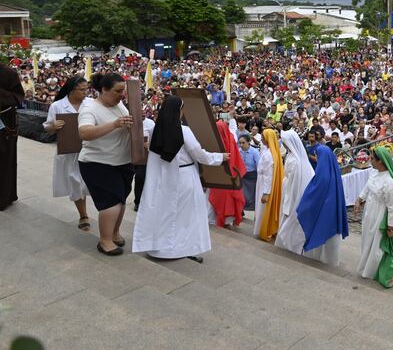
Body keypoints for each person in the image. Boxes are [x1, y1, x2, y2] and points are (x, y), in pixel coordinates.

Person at [132, 96, 229, 260]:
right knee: (187, 215)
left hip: (164, 178)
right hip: (185, 177)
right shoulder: (184, 130)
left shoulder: (157, 129)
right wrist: (220, 157)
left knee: (166, 213)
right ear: (178, 111)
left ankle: (160, 247)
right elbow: (199, 154)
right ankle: (182, 248)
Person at [77, 73, 134, 256]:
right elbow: (85, 133)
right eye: (118, 91)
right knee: (111, 203)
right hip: (98, 162)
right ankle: (105, 240)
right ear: (104, 89)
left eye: (123, 91)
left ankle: (114, 233)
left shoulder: (119, 105)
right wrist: (115, 124)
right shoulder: (89, 108)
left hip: (122, 161)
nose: (121, 95)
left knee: (121, 200)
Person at [43, 76, 94, 230]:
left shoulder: (91, 104)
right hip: (69, 151)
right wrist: (54, 126)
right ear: (72, 90)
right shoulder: (58, 106)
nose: (86, 93)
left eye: (87, 89)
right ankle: (83, 215)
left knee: (90, 182)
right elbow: (47, 127)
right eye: (82, 90)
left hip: (90, 149)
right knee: (75, 182)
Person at [354, 146, 393, 288]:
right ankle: (364, 266)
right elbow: (367, 188)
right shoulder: (374, 173)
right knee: (366, 240)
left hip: (379, 214)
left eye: (373, 159)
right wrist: (359, 200)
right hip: (369, 212)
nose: (370, 160)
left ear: (380, 162)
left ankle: (375, 271)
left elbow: (392, 207)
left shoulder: (389, 182)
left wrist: (391, 226)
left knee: (376, 246)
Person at [296, 145, 349, 266]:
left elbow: (312, 194)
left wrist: (303, 206)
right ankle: (331, 261)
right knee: (331, 243)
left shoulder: (321, 176)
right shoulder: (335, 172)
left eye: (317, 156)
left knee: (320, 238)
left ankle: (317, 259)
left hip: (323, 213)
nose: (316, 158)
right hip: (332, 212)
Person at [275, 129, 315, 254]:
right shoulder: (294, 156)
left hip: (292, 190)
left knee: (289, 214)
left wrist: (289, 199)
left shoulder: (295, 160)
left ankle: (290, 244)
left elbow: (294, 182)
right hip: (288, 186)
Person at [0, 61, 24, 211]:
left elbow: (18, 96)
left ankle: (4, 197)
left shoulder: (9, 73)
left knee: (4, 160)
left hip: (5, 122)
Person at [254, 128, 284, 241]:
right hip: (263, 182)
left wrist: (266, 192)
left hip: (264, 185)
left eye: (263, 136)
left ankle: (264, 230)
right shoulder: (270, 151)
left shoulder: (269, 155)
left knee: (263, 207)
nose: (261, 138)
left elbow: (268, 176)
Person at [238, 135, 260, 212]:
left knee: (250, 194)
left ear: (248, 142)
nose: (241, 145)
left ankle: (251, 207)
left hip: (251, 176)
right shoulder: (239, 151)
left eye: (243, 143)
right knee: (242, 194)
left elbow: (258, 165)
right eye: (240, 143)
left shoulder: (254, 152)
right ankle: (241, 209)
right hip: (241, 175)